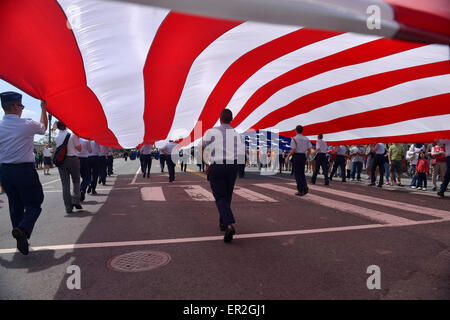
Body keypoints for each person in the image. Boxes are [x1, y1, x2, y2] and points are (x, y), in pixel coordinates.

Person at [0, 92, 48, 255]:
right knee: (35, 203)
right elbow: (43, 128)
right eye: (21, 106)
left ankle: (22, 238)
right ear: (15, 106)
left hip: (5, 170)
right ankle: (23, 229)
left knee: (15, 205)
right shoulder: (27, 124)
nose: (22, 109)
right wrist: (43, 109)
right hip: (24, 170)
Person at [202, 109, 244, 243]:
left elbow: (202, 146)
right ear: (231, 119)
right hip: (232, 166)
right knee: (227, 195)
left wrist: (206, 163)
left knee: (220, 196)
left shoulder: (211, 131)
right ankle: (223, 224)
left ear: (220, 119)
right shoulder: (237, 134)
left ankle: (229, 224)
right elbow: (241, 151)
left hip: (217, 165)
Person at [54, 121, 83, 213]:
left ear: (58, 127)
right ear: (66, 126)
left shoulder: (56, 137)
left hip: (61, 161)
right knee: (76, 180)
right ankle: (76, 200)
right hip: (72, 159)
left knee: (65, 185)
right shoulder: (72, 135)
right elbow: (79, 148)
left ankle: (68, 207)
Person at [286, 125, 312, 196]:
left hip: (296, 156)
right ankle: (305, 187)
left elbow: (293, 149)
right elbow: (309, 150)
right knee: (302, 173)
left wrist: (288, 156)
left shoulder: (294, 139)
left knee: (297, 174)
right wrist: (306, 157)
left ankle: (300, 190)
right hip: (303, 155)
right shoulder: (306, 138)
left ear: (296, 130)